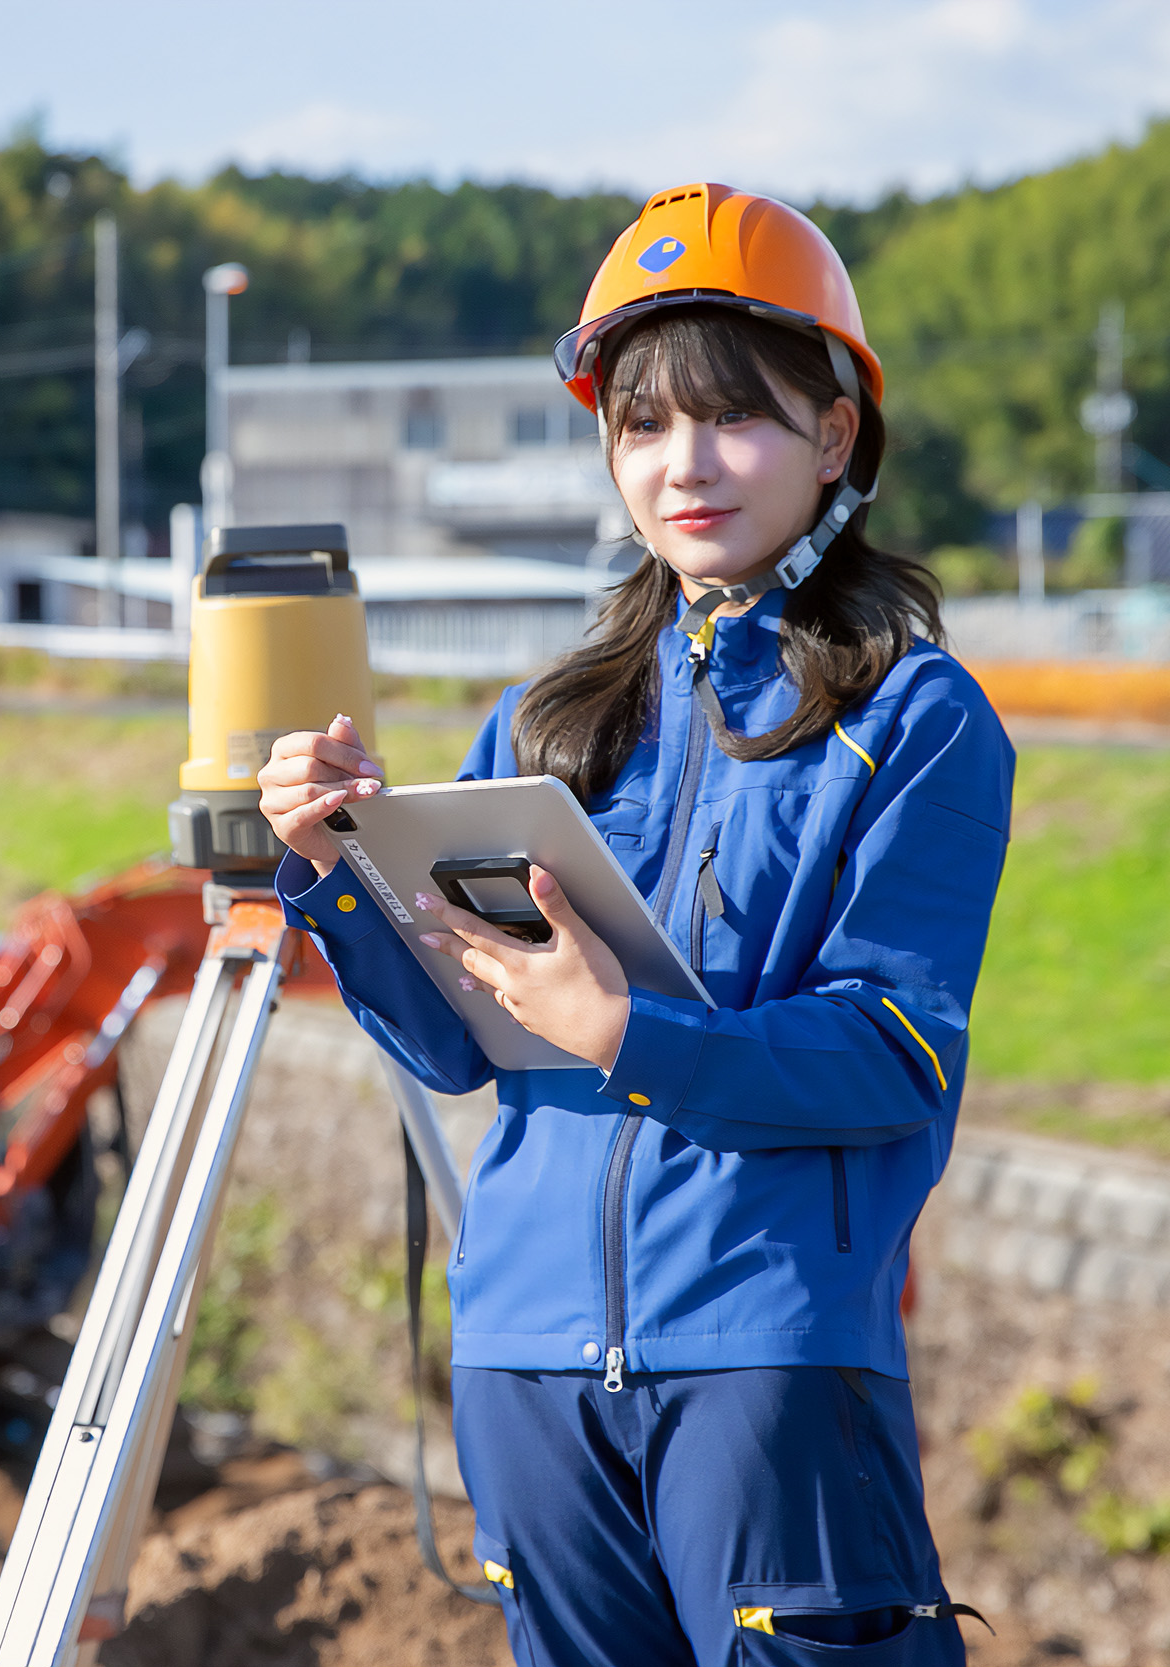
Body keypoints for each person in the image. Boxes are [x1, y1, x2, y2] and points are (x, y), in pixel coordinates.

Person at [258, 183, 1014, 1665]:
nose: (684, 464)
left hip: (765, 1352)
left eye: (734, 418)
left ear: (835, 436)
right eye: (643, 424)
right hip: (523, 1357)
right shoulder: (546, 719)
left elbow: (894, 1048)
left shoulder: (915, 716)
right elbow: (454, 1044)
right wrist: (336, 865)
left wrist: (628, 1031)